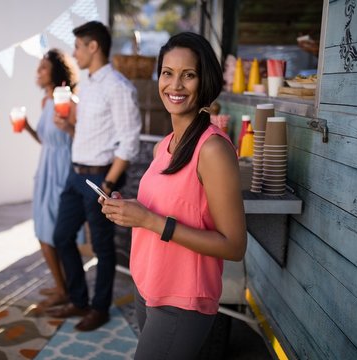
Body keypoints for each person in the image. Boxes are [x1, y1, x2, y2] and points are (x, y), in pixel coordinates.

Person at [100, 32, 247, 359]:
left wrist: (151, 220)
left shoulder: (213, 150)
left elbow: (234, 246)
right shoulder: (163, 145)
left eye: (188, 75)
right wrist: (129, 210)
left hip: (182, 300)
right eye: (168, 73)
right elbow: (166, 207)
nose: (175, 85)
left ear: (204, 81)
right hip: (147, 286)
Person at [47, 21, 142, 331]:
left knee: (102, 248)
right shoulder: (85, 84)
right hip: (75, 176)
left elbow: (129, 144)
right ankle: (79, 300)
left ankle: (99, 308)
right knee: (62, 237)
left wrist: (108, 184)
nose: (74, 54)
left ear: (93, 47)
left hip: (102, 178)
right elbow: (91, 133)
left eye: (77, 47)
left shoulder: (119, 87)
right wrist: (69, 128)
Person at [22, 48, 82, 310]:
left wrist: (69, 127)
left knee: (57, 234)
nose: (39, 72)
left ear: (57, 72)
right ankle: (62, 287)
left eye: (44, 67)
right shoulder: (45, 103)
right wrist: (26, 127)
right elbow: (45, 140)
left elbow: (84, 140)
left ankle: (66, 289)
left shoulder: (69, 102)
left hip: (64, 172)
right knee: (42, 231)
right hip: (45, 170)